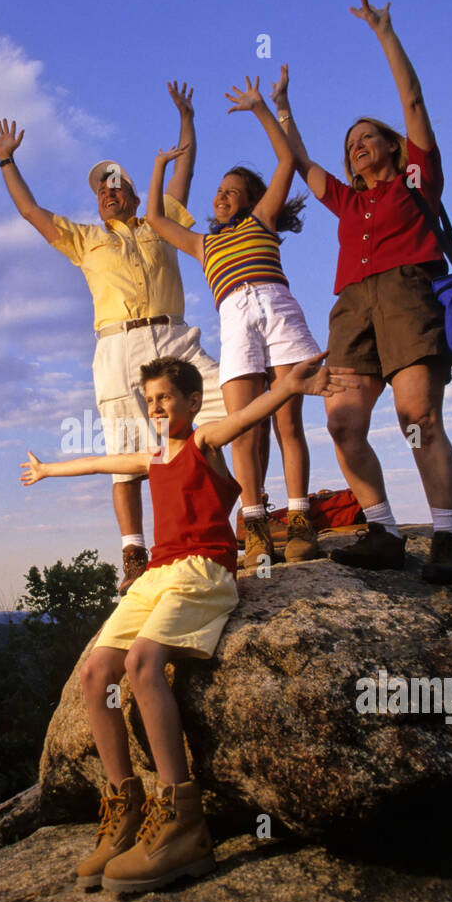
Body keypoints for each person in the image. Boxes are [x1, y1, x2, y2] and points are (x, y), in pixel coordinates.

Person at [20, 352, 355, 893]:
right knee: (94, 673)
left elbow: (243, 419)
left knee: (142, 663)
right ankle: (124, 807)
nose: (156, 408)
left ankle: (181, 816)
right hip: (155, 573)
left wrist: (288, 386)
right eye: (149, 401)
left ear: (193, 402)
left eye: (165, 398)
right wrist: (49, 470)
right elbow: (103, 464)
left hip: (202, 572)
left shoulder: (203, 444)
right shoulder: (152, 454)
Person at [0, 82, 234, 596]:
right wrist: (7, 163)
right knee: (125, 454)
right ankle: (133, 554)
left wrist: (188, 119)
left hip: (173, 339)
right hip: (117, 346)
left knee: (226, 415)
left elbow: (184, 168)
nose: (107, 191)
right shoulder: (84, 238)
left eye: (115, 183)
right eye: (100, 188)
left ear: (131, 190)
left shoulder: (158, 221)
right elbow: (31, 212)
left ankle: (239, 520)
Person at [272, 0, 452, 583]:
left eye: (367, 136)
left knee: (417, 416)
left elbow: (413, 100)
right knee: (342, 424)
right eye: (351, 141)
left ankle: (447, 536)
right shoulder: (349, 200)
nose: (357, 144)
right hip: (352, 305)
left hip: (408, 294)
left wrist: (385, 33)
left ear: (390, 145)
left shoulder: (417, 180)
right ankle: (383, 530)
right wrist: (280, 107)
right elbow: (299, 161)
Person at [146, 75, 324, 570]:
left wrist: (260, 107)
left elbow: (287, 160)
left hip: (278, 306)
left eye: (232, 191)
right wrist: (160, 167)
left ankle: (300, 518)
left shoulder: (260, 221)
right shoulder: (204, 243)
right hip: (235, 318)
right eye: (219, 191)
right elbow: (157, 220)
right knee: (244, 429)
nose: (222, 196)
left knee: (289, 420)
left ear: (249, 198)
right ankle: (255, 525)